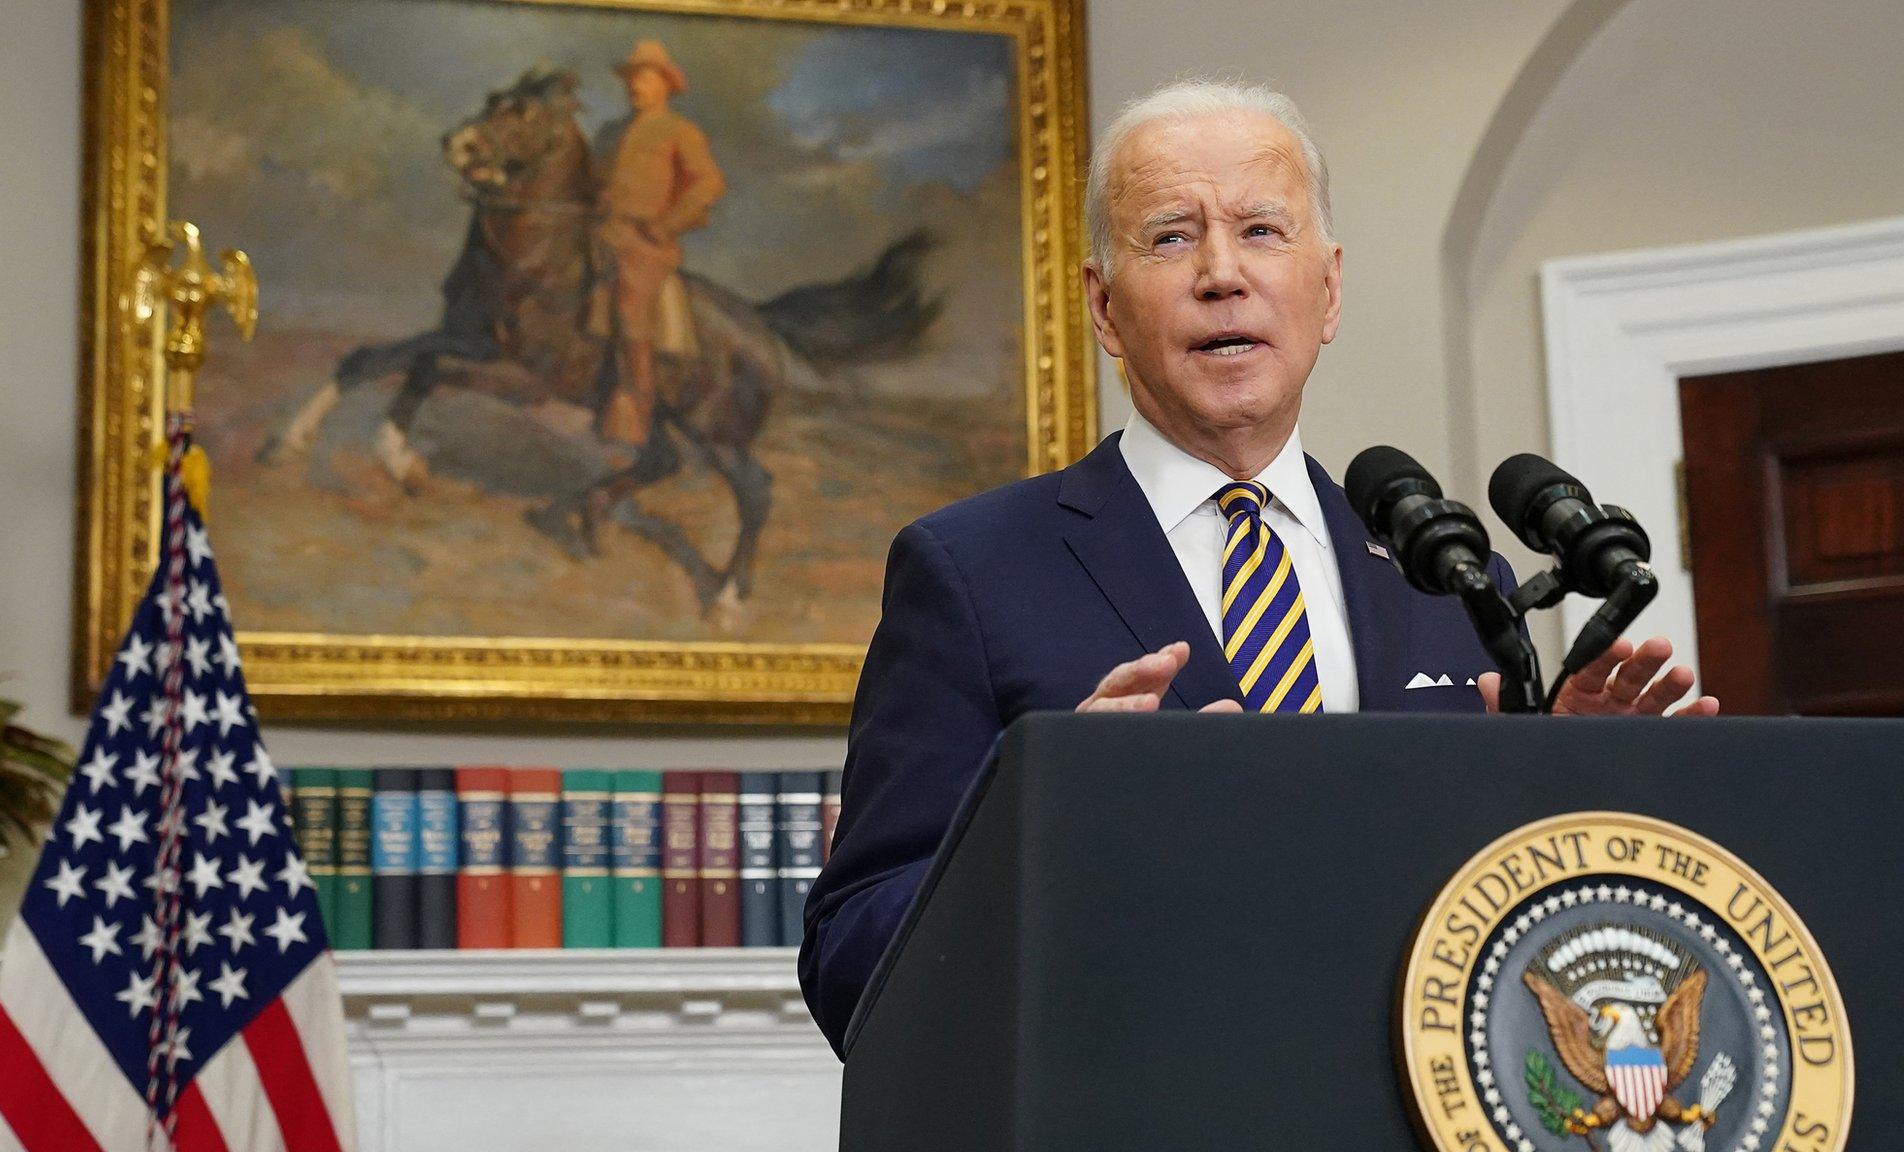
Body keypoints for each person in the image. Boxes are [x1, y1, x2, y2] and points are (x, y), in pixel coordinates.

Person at [797, 80, 1719, 1057]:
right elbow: (852, 958)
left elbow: (1512, 929)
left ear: (1326, 289)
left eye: (1260, 231)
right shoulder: (968, 570)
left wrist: (1566, 783)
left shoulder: (1449, 573)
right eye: (1168, 237)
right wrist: (1042, 827)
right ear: (1104, 309)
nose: (1220, 274)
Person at [590, 39, 727, 458]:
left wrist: (667, 224)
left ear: (666, 83)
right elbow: (594, 181)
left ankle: (635, 408)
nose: (636, 84)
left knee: (631, 302)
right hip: (601, 234)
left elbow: (709, 183)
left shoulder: (680, 132)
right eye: (633, 77)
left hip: (645, 244)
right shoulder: (610, 132)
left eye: (646, 76)